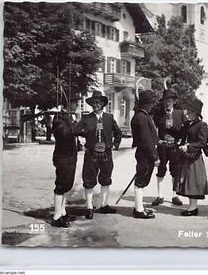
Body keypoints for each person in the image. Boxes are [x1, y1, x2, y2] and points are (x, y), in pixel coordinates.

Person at [74, 91, 122, 220]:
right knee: (89, 180)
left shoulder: (109, 117)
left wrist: (115, 145)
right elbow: (76, 130)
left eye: (98, 102)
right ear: (91, 104)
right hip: (91, 154)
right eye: (94, 102)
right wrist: (86, 134)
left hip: (106, 153)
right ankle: (89, 207)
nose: (96, 105)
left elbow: (118, 132)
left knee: (106, 178)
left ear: (102, 104)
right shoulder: (87, 118)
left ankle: (104, 205)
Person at [151, 90, 186, 207]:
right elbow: (153, 130)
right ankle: (160, 196)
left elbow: (186, 130)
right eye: (166, 101)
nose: (167, 104)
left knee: (175, 171)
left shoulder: (180, 114)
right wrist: (157, 141)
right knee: (161, 170)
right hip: (162, 147)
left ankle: (174, 195)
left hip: (175, 148)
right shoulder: (158, 115)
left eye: (170, 101)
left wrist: (182, 142)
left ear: (174, 102)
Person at [174, 98, 208, 216]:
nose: (187, 114)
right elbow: (179, 134)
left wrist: (188, 147)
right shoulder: (188, 124)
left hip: (194, 157)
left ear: (196, 113)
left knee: (194, 182)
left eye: (190, 112)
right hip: (186, 156)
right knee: (188, 182)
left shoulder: (202, 125)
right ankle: (192, 206)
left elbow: (202, 142)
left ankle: (193, 208)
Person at [131, 90, 160, 219]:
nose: (153, 105)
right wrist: (155, 157)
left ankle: (140, 207)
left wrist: (159, 142)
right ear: (145, 104)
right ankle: (138, 210)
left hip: (144, 153)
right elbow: (146, 139)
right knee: (140, 181)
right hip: (145, 154)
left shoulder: (143, 115)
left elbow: (151, 136)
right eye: (151, 103)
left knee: (142, 181)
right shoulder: (141, 117)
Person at [51, 110, 78, 228]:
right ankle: (56, 217)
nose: (76, 105)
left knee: (67, 185)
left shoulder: (69, 119)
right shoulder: (58, 119)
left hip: (70, 156)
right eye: (74, 102)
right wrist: (74, 124)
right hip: (63, 157)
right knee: (61, 186)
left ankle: (63, 212)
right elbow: (63, 133)